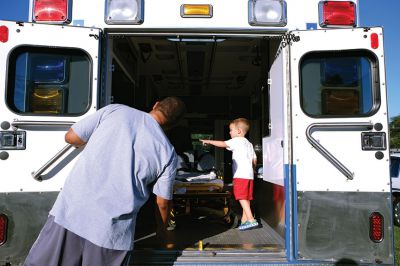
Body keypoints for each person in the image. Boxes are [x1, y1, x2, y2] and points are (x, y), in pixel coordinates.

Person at [24, 97, 186, 266]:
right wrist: (161, 232)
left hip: (70, 214)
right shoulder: (167, 152)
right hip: (111, 233)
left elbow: (71, 137)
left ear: (155, 105)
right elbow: (163, 203)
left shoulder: (116, 110)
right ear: (173, 125)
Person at [200, 118, 258, 231]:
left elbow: (222, 144)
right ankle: (245, 221)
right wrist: (253, 170)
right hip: (250, 175)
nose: (230, 132)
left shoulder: (237, 140)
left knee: (241, 196)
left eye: (231, 130)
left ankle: (251, 219)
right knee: (246, 198)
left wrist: (209, 141)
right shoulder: (249, 143)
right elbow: (254, 160)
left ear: (239, 131)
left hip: (240, 175)